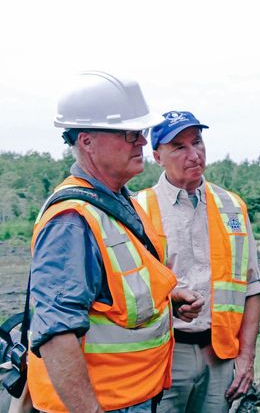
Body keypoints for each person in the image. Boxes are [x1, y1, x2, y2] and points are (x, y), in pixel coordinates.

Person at [26, 71, 191, 412]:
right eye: (129, 134)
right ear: (86, 141)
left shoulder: (117, 201)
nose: (142, 142)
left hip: (132, 397)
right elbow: (57, 336)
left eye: (140, 132)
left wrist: (168, 300)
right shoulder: (71, 221)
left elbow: (117, 290)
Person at [135, 110, 260, 412]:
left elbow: (251, 287)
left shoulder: (232, 207)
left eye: (197, 142)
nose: (194, 154)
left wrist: (245, 357)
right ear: (157, 156)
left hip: (219, 357)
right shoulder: (137, 210)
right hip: (163, 356)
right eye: (179, 147)